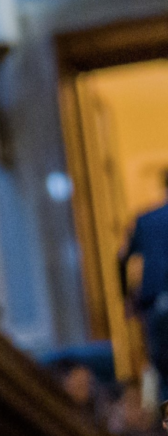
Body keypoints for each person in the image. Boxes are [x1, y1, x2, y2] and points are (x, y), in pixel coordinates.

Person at [121, 171, 168, 406]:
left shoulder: (145, 220)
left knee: (160, 368)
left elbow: (122, 258)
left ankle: (162, 422)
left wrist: (126, 298)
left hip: (154, 301)